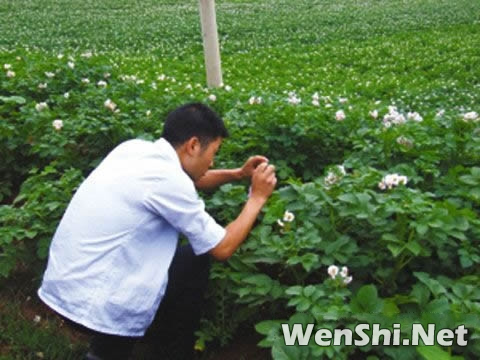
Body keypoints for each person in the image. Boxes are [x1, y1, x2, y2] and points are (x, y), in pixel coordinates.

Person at [37, 102, 276, 360]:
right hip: (96, 305)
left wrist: (238, 174)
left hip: (65, 286)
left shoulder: (133, 149)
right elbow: (222, 247)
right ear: (193, 145)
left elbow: (191, 177)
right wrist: (257, 198)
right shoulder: (168, 181)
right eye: (213, 152)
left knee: (184, 260)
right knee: (196, 261)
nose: (213, 161)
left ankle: (114, 349)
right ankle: (131, 351)